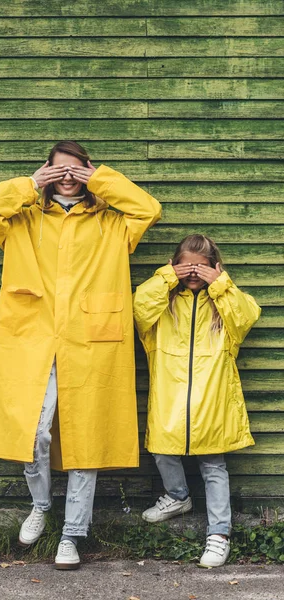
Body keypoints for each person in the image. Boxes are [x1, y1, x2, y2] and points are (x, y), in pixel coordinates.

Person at [0, 141, 161, 569]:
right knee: (34, 430)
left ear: (89, 173)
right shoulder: (21, 221)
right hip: (32, 337)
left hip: (91, 340)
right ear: (46, 173)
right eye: (60, 171)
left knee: (85, 437)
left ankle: (73, 534)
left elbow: (148, 208)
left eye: (77, 171)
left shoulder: (114, 225)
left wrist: (102, 179)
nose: (69, 178)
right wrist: (30, 183)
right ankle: (41, 505)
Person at [133, 234, 261, 568]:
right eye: (186, 266)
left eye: (201, 268)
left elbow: (247, 315)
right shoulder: (163, 303)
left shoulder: (223, 305)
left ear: (215, 269)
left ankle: (219, 534)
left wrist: (220, 285)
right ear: (174, 265)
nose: (193, 273)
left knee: (213, 466)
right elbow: (139, 307)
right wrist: (166, 277)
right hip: (169, 397)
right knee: (161, 451)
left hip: (212, 401)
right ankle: (178, 497)